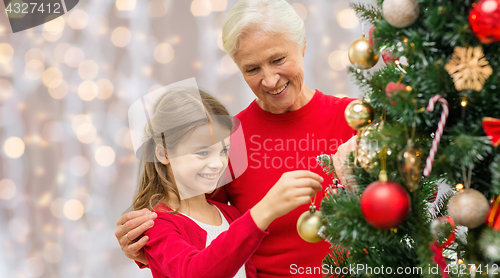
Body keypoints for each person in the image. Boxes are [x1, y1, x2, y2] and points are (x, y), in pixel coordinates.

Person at [115, 0, 357, 277]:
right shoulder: (228, 139)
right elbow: (199, 225)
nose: (269, 80)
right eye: (252, 69)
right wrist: (143, 245)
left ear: (302, 47)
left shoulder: (355, 119)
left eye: (278, 60)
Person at [129, 88, 323, 278]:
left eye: (223, 151)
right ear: (164, 154)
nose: (217, 164)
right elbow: (194, 272)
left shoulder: (230, 214)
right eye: (202, 152)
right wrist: (265, 210)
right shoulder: (156, 225)